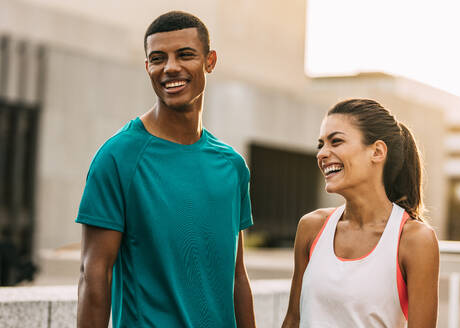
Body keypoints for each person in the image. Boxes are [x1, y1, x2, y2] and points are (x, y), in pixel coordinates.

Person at [76, 11, 256, 328]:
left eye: (185, 55)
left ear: (210, 61)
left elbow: (237, 276)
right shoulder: (117, 157)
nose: (170, 67)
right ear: (147, 66)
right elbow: (94, 276)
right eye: (158, 58)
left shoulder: (232, 166)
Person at [282, 99, 439, 328]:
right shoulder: (311, 227)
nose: (322, 154)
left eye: (336, 142)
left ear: (377, 152)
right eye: (321, 145)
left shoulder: (414, 240)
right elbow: (293, 320)